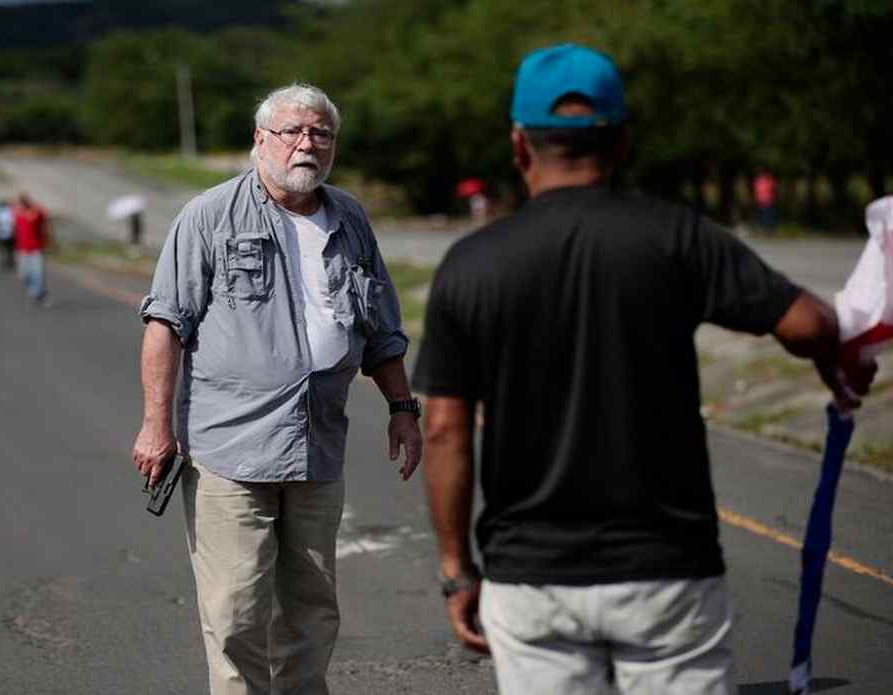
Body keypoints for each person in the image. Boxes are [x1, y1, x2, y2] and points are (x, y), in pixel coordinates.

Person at [411, 43, 877, 695]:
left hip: (532, 579)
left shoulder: (470, 265)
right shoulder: (678, 236)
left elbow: (442, 431)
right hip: (667, 569)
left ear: (519, 146)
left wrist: (458, 569)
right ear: (622, 141)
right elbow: (809, 325)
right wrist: (836, 353)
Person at [131, 83, 422, 695]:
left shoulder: (349, 218)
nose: (307, 144)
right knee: (236, 611)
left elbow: (381, 326)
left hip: (318, 445)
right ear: (260, 140)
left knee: (312, 610)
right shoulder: (209, 215)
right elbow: (165, 325)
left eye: (320, 133)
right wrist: (156, 424)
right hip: (230, 451)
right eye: (292, 131)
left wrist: (401, 407)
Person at [13, 194, 48, 303]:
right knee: (23, 275)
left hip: (36, 249)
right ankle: (39, 291)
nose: (20, 206)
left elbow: (42, 215)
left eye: (22, 203)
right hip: (23, 250)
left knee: (37, 273)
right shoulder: (18, 215)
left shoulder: (35, 214)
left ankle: (36, 293)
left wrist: (33, 208)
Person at [0, 199, 15, 270]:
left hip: (6, 233)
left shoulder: (2, 212)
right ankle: (7, 261)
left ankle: (8, 261)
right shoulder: (7, 212)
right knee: (7, 249)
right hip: (5, 233)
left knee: (6, 248)